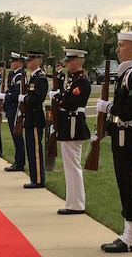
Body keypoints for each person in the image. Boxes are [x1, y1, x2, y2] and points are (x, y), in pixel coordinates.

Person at [96, 31, 132, 253]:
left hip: (128, 135)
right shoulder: (126, 73)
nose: (118, 50)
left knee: (130, 185)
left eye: (122, 46)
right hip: (120, 134)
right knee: (123, 184)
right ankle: (128, 234)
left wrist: (109, 108)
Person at [49, 49, 90, 214]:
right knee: (70, 166)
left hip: (73, 125)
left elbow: (71, 103)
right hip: (68, 125)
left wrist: (57, 98)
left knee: (73, 166)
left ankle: (77, 204)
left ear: (78, 62)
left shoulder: (81, 81)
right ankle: (72, 202)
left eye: (69, 61)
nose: (66, 64)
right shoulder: (73, 81)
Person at [18, 51, 48, 188]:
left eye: (30, 60)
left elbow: (37, 98)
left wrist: (25, 98)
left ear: (37, 61)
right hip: (30, 118)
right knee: (30, 149)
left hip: (35, 118)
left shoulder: (40, 78)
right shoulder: (33, 77)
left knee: (35, 150)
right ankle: (34, 178)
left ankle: (38, 179)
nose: (27, 62)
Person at [0, 52, 26, 172]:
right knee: (15, 136)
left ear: (19, 62)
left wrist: (5, 96)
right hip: (11, 109)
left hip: (16, 109)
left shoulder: (20, 75)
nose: (12, 63)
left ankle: (19, 162)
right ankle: (18, 160)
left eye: (13, 61)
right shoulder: (13, 74)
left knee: (17, 136)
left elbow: (16, 94)